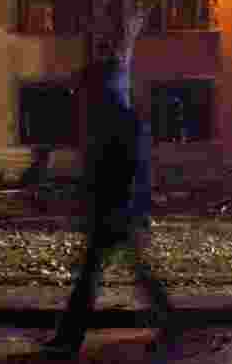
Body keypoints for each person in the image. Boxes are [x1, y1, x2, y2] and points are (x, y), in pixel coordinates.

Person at [43, 60, 178, 359]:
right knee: (124, 275)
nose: (84, 95)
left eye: (89, 89)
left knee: (95, 278)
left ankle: (69, 339)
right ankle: (171, 326)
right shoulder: (117, 119)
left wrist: (115, 209)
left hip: (117, 213)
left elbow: (127, 171)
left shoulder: (118, 121)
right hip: (117, 212)